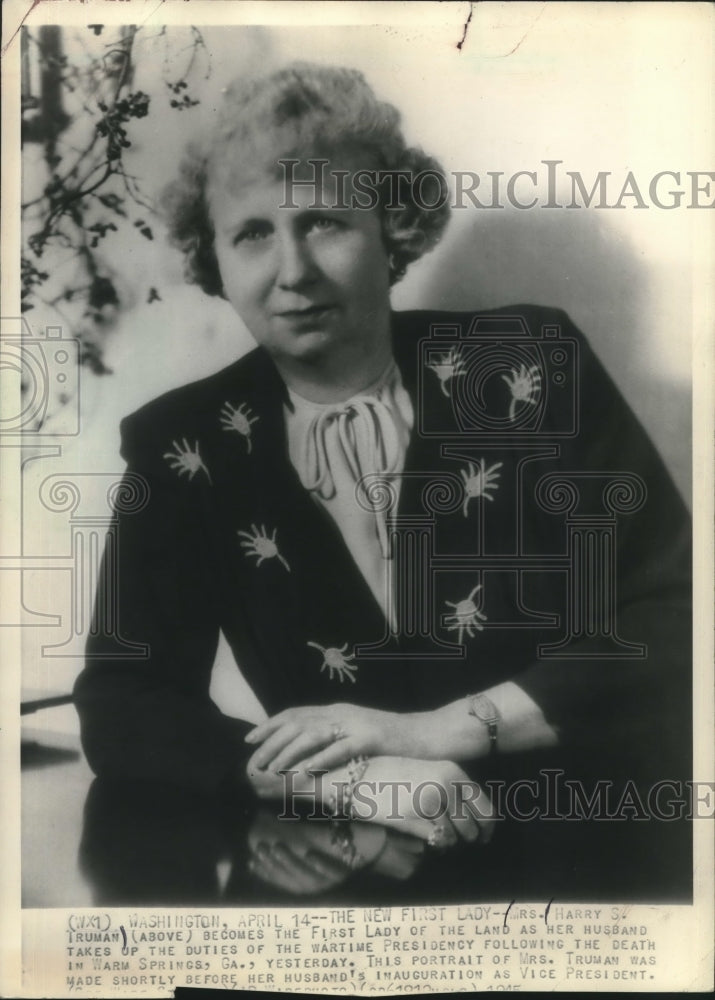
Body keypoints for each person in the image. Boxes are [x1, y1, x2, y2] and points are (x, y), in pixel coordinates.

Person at [74, 63, 691, 857]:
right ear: (215, 260)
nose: (292, 271)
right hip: (343, 855)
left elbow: (673, 615)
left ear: (390, 230)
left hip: (586, 836)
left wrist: (441, 732)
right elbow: (125, 700)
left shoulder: (526, 369)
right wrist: (342, 781)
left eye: (324, 222)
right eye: (253, 233)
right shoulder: (181, 445)